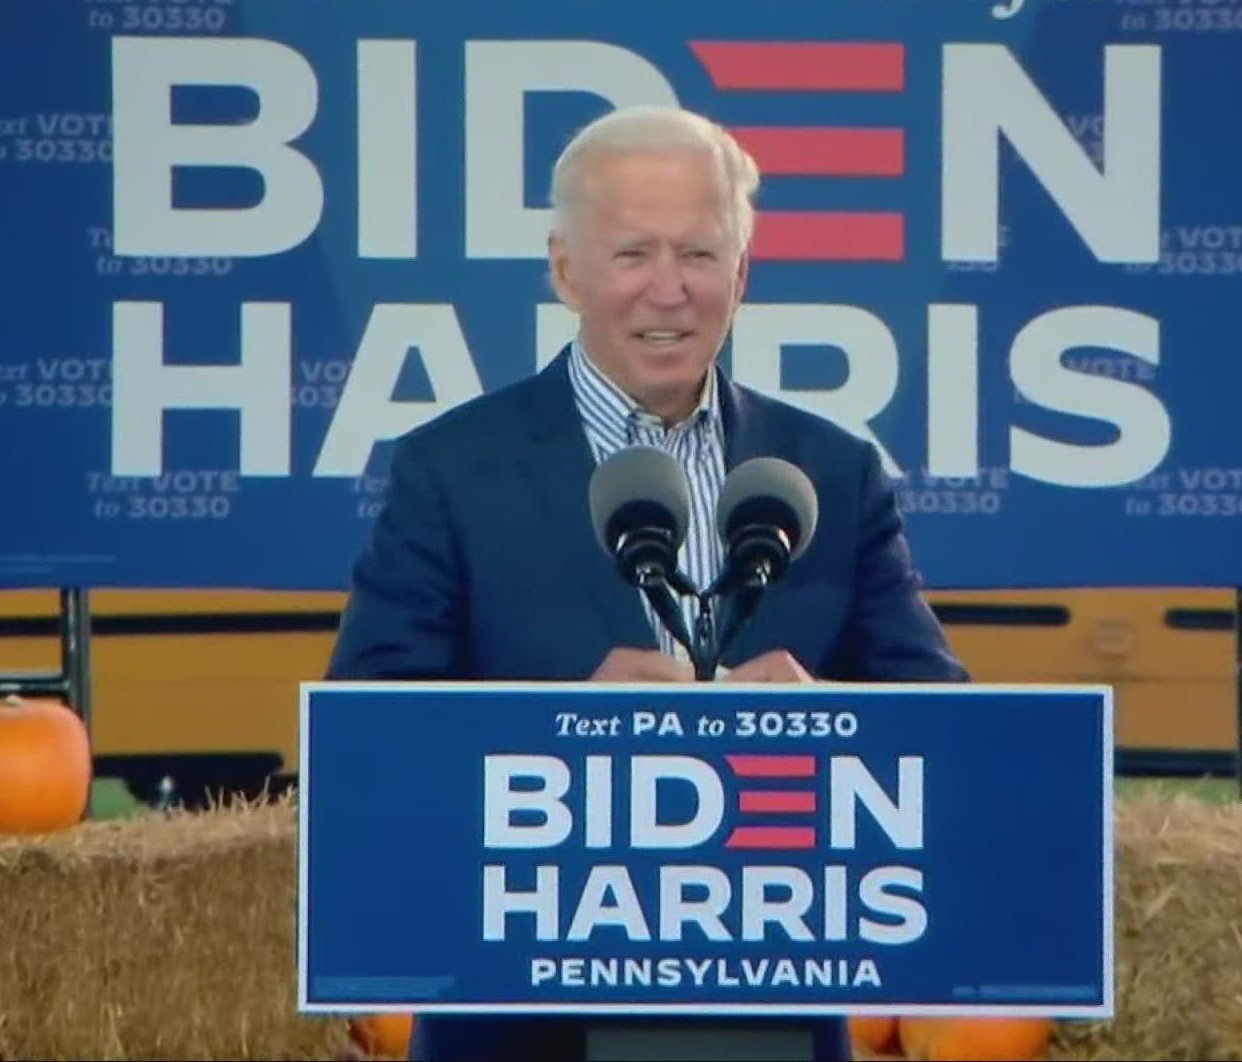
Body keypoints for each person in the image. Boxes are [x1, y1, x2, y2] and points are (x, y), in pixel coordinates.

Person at [326, 103, 968, 1062]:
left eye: (699, 256)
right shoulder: (451, 473)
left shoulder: (829, 475)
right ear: (566, 270)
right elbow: (367, 749)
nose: (668, 292)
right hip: (522, 1025)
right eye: (632, 255)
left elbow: (951, 735)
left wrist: (834, 721)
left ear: (742, 276)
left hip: (773, 1026)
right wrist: (563, 731)